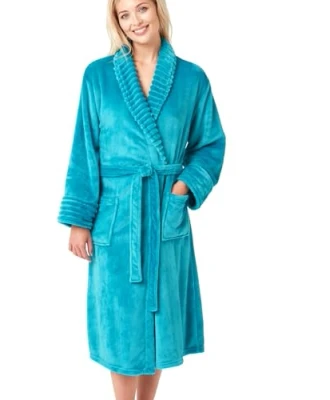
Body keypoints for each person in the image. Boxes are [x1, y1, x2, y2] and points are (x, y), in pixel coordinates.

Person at [57, 0, 226, 398]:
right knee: (119, 325)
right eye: (124, 15)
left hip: (165, 214)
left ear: (157, 9)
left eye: (142, 8)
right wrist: (80, 219)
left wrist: (182, 188)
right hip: (116, 218)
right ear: (116, 21)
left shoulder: (191, 78)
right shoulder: (98, 76)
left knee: (159, 322)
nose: (135, 21)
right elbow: (85, 149)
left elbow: (210, 144)